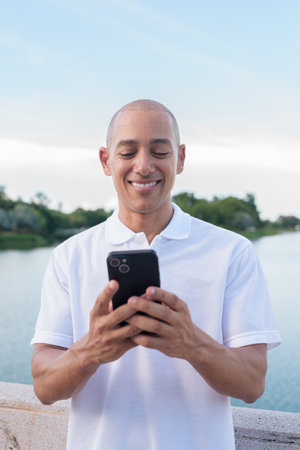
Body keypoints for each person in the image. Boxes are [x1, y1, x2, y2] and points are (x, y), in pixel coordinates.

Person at [31, 99, 281, 450]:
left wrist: (191, 344)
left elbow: (252, 383)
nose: (144, 166)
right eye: (128, 152)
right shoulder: (69, 257)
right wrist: (91, 351)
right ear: (106, 160)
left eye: (159, 152)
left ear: (180, 158)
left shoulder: (232, 252)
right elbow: (43, 387)